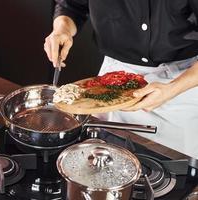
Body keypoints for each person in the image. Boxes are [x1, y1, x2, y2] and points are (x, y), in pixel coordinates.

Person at [44, 0, 198, 159]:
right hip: (111, 82)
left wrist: (173, 88)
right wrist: (62, 29)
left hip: (182, 84)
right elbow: (72, 5)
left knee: (175, 170)